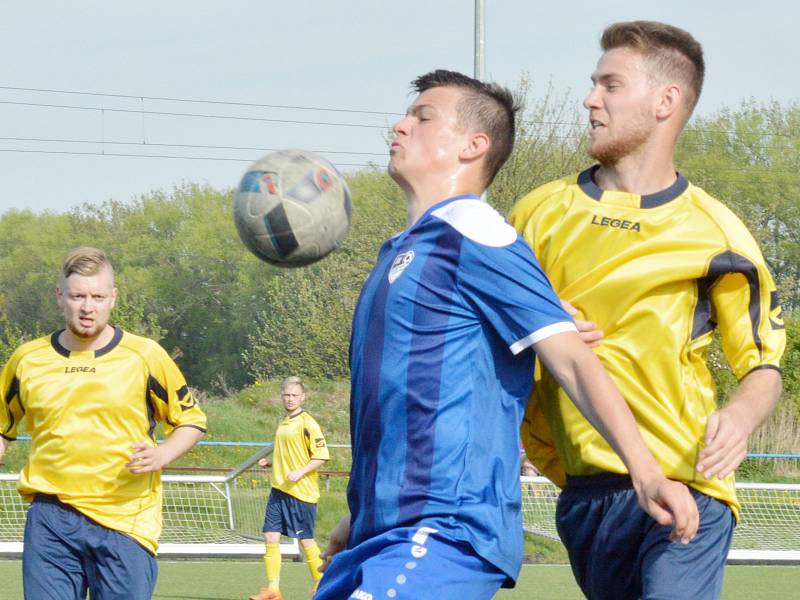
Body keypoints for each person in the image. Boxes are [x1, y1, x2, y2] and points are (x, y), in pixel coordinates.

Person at [314, 69, 698, 600]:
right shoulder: (400, 252)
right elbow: (396, 402)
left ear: (474, 146)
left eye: (423, 117)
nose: (400, 126)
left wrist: (647, 473)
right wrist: (359, 515)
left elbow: (571, 360)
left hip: (445, 530)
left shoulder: (475, 231)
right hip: (378, 536)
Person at [509, 21, 786, 600]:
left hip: (688, 483)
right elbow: (482, 327)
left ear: (666, 101)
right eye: (593, 84)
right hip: (584, 493)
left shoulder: (717, 234)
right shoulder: (536, 214)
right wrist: (533, 316)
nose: (590, 99)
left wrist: (738, 419)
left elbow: (762, 368)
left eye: (611, 84)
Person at [0, 246, 207, 600]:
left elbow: (190, 420)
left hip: (125, 519)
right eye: (78, 296)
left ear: (113, 297)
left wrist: (162, 454)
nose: (87, 307)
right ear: (60, 297)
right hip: (52, 517)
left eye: (97, 296)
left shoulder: (145, 356)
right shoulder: (26, 359)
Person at [249, 376, 329, 600]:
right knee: (270, 537)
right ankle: (273, 589)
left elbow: (321, 456)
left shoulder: (308, 423)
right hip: (279, 490)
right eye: (287, 395)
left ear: (303, 397)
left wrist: (300, 472)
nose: (290, 399)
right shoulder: (284, 422)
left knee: (306, 541)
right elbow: (291, 456)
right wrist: (272, 464)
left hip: (301, 493)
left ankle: (323, 585)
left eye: (295, 395)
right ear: (281, 397)